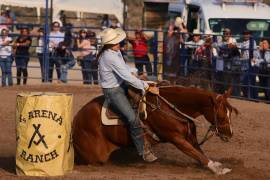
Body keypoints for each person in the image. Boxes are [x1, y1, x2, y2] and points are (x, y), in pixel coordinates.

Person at [98, 28, 158, 162]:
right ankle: (143, 151)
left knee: (145, 104)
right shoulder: (109, 56)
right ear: (110, 44)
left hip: (121, 84)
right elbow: (125, 76)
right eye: (117, 41)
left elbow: (124, 70)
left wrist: (136, 72)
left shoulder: (115, 52)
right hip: (113, 91)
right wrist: (146, 86)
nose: (120, 43)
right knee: (132, 119)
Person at [238, 30, 257, 99]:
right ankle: (247, 97)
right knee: (244, 83)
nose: (246, 35)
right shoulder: (241, 43)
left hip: (251, 64)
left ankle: (253, 98)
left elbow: (254, 54)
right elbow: (240, 54)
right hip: (243, 64)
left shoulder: (253, 42)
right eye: (244, 34)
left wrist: (253, 65)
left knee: (252, 82)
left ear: (250, 35)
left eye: (247, 34)